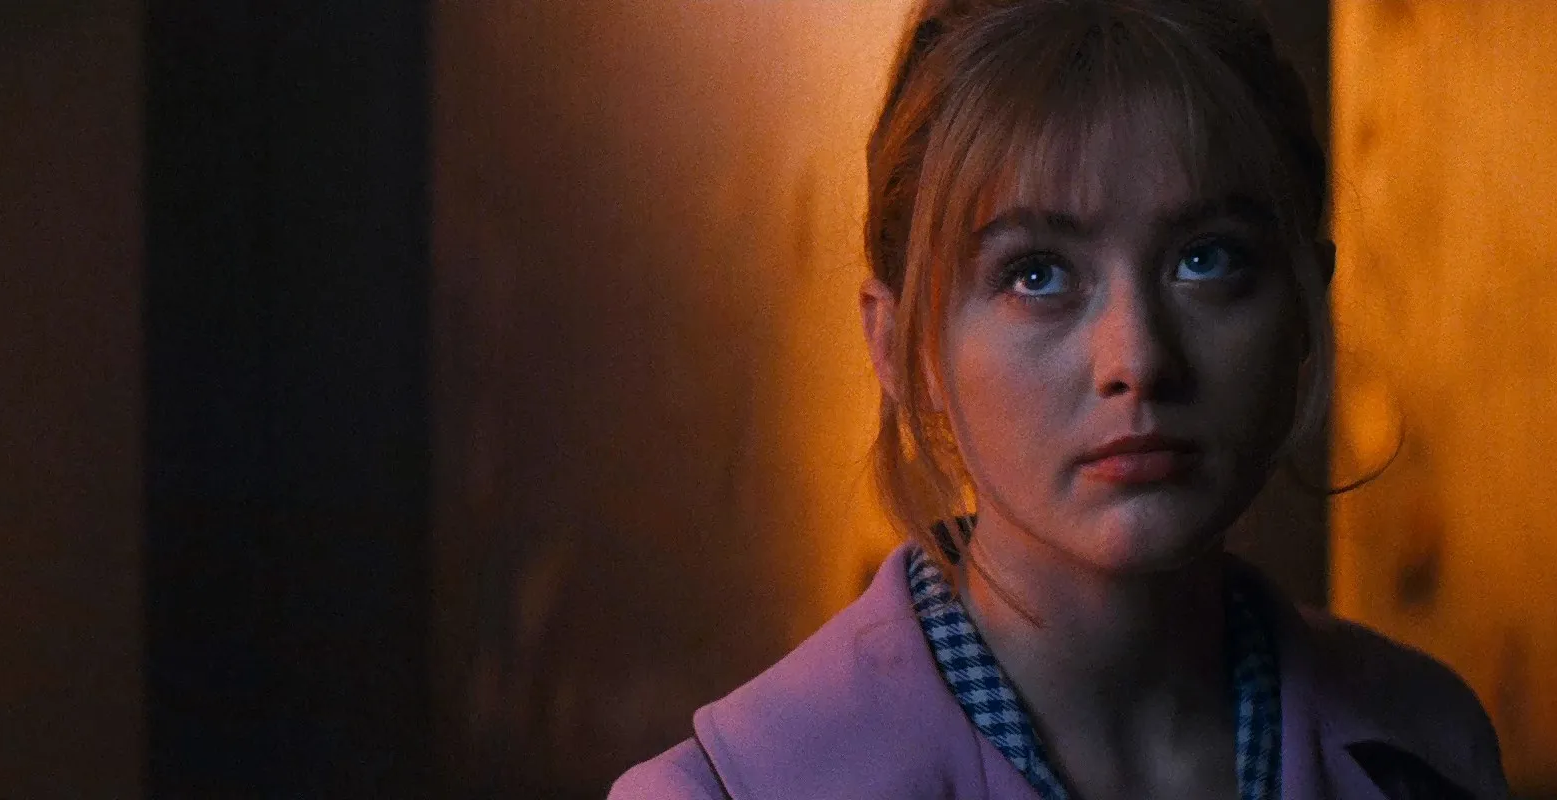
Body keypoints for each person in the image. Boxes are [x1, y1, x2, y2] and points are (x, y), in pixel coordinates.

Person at [612, 0, 1508, 797]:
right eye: (1036, 273)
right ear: (902, 345)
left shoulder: (1426, 750)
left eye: (1207, 258)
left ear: (1308, 305)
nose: (1138, 359)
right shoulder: (728, 791)